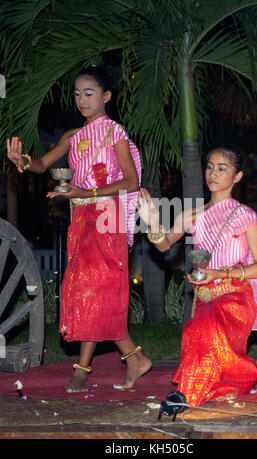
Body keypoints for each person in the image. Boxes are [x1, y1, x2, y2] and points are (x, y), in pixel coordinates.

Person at [7, 65, 152, 393]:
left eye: (89, 93)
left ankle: (86, 368)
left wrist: (83, 193)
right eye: (76, 94)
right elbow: (44, 165)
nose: (81, 100)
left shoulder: (116, 134)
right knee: (85, 290)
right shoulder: (73, 136)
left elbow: (130, 181)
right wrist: (23, 162)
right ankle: (130, 359)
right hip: (82, 218)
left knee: (97, 289)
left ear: (106, 96)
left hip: (108, 217)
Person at [137, 146, 257, 406]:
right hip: (205, 299)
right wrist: (153, 222)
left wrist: (220, 273)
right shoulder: (192, 214)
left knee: (202, 330)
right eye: (209, 166)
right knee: (215, 358)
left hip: (236, 298)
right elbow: (164, 245)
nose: (213, 173)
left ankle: (186, 396)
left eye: (222, 168)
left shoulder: (245, 216)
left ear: (237, 177)